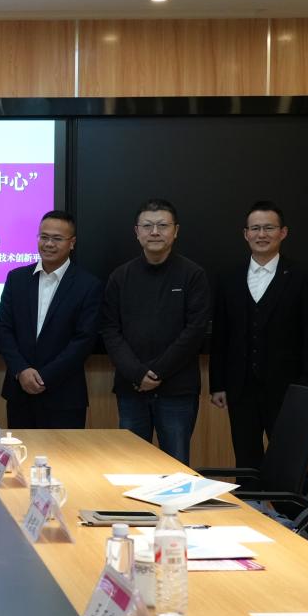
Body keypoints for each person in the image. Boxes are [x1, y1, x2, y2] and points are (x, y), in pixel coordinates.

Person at [209, 201, 308, 473]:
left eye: (269, 228)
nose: (262, 234)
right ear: (245, 233)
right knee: (246, 463)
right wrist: (217, 384)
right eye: (255, 228)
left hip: (288, 391)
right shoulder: (228, 277)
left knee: (289, 464)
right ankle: (250, 503)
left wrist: (306, 391)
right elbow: (220, 335)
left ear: (283, 232)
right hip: (240, 390)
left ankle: (292, 505)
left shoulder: (302, 276)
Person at [100, 198, 210, 464]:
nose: (155, 232)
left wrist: (157, 372)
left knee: (176, 468)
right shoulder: (120, 277)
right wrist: (138, 373)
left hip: (177, 391)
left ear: (176, 231)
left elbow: (195, 331)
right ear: (137, 232)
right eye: (147, 226)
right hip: (132, 389)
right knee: (130, 467)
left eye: (163, 225)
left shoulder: (193, 275)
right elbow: (109, 329)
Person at [0, 209, 102, 429]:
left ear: (72, 243)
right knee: (19, 451)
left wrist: (45, 377)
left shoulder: (88, 285)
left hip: (64, 395)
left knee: (64, 453)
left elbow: (84, 341)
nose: (49, 244)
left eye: (57, 238)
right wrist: (21, 370)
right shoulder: (16, 279)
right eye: (44, 237)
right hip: (20, 392)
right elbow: (4, 329)